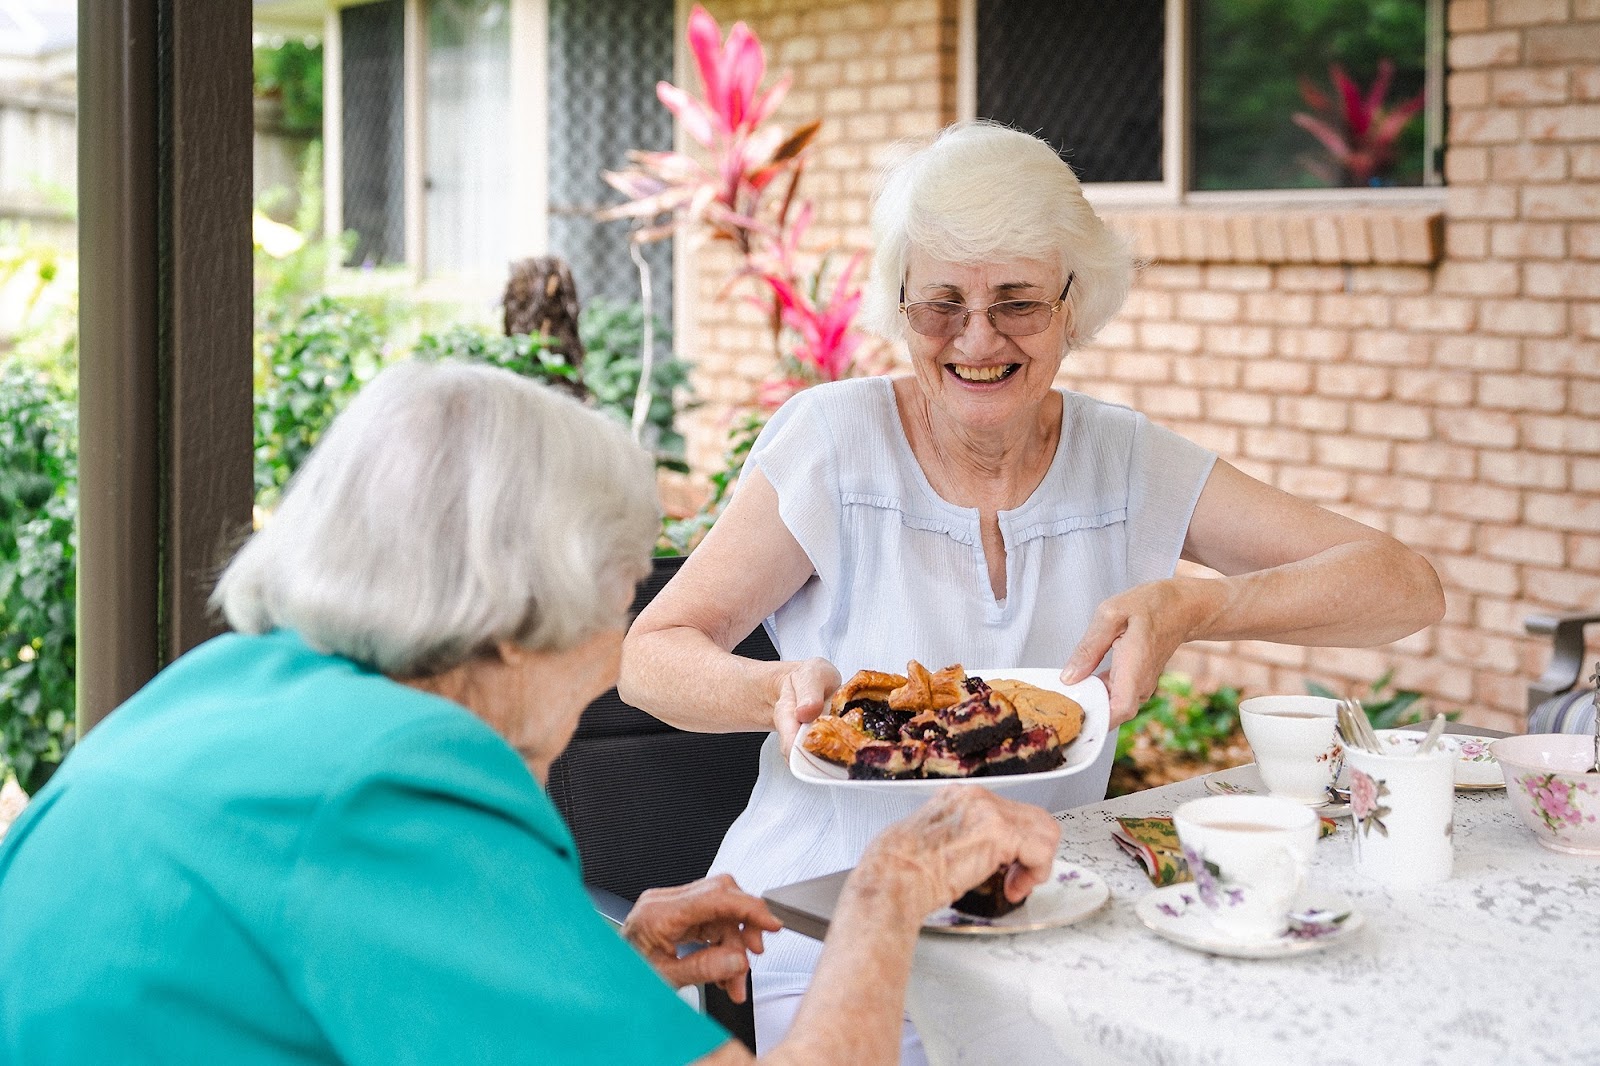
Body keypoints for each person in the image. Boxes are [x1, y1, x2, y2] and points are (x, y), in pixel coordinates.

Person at [618, 120, 1447, 1055]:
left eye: (1017, 301)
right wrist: (772, 690)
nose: (978, 339)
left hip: (1042, 936)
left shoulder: (1124, 460)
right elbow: (652, 656)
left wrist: (1199, 606)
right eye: (941, 304)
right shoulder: (834, 444)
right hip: (819, 933)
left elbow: (1405, 589)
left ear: (1072, 305)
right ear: (900, 305)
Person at [0, 360, 1062, 1065]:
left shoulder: (225, 692)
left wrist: (596, 963)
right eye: (617, 595)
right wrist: (886, 885)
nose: (618, 646)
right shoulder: (397, 784)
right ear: (514, 618)